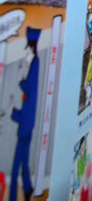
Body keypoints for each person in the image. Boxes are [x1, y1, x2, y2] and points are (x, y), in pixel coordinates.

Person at [10, 28, 40, 201]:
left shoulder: (34, 63)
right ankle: (27, 187)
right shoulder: (35, 62)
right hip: (27, 121)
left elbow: (29, 88)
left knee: (16, 166)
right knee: (23, 161)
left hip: (25, 123)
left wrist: (16, 115)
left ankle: (14, 196)